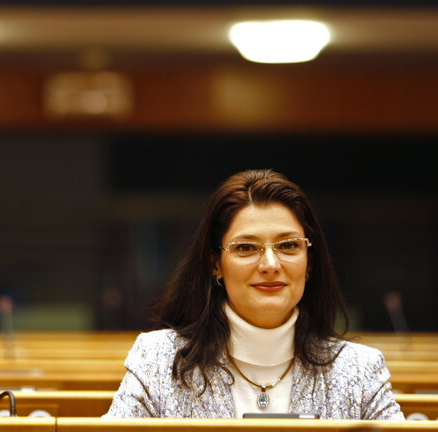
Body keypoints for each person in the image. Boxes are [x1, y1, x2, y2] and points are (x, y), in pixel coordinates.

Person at [105, 169, 404, 420]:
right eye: (246, 248)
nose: (270, 265)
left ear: (309, 262)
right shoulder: (158, 361)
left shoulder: (360, 371)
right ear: (215, 265)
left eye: (288, 246)